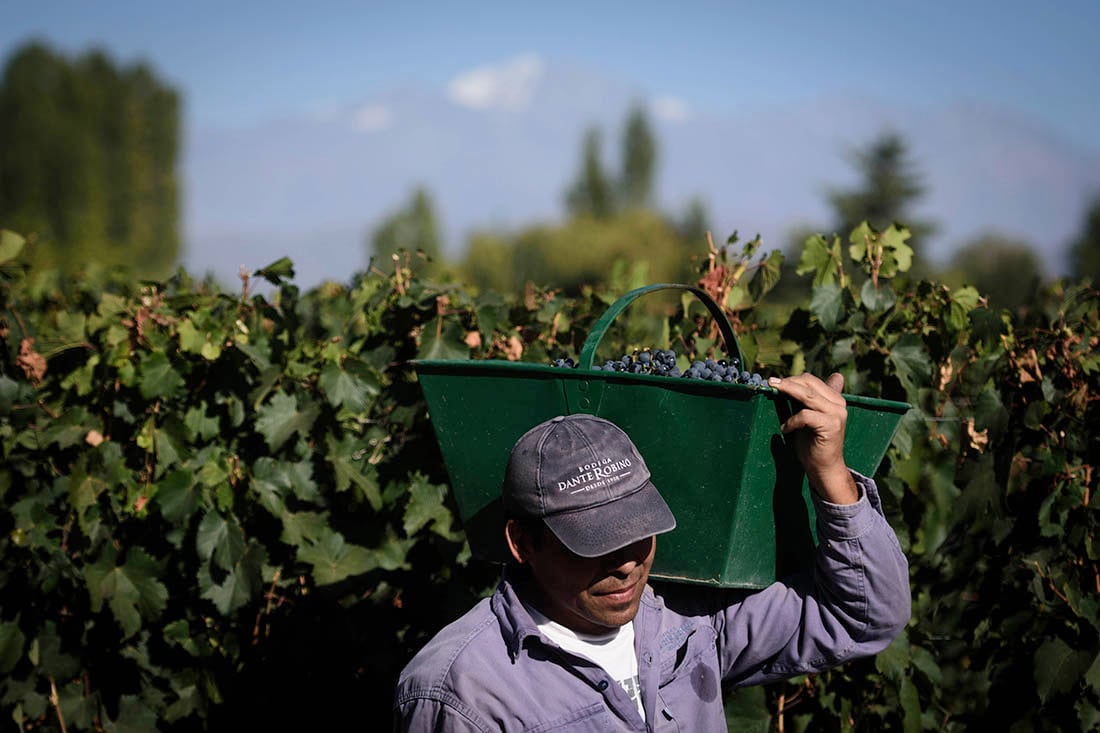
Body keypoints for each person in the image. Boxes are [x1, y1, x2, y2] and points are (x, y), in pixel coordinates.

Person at [394, 373, 911, 731]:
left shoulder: (687, 626)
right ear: (523, 543)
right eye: (593, 542)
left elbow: (864, 615)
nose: (626, 563)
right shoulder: (464, 691)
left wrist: (830, 474)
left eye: (638, 533)